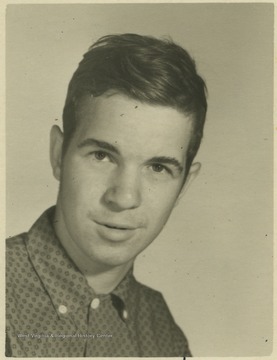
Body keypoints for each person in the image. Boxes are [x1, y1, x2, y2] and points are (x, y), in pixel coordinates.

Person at [6, 33, 207, 357]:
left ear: (184, 183)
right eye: (102, 155)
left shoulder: (164, 333)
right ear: (58, 154)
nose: (124, 197)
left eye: (157, 167)